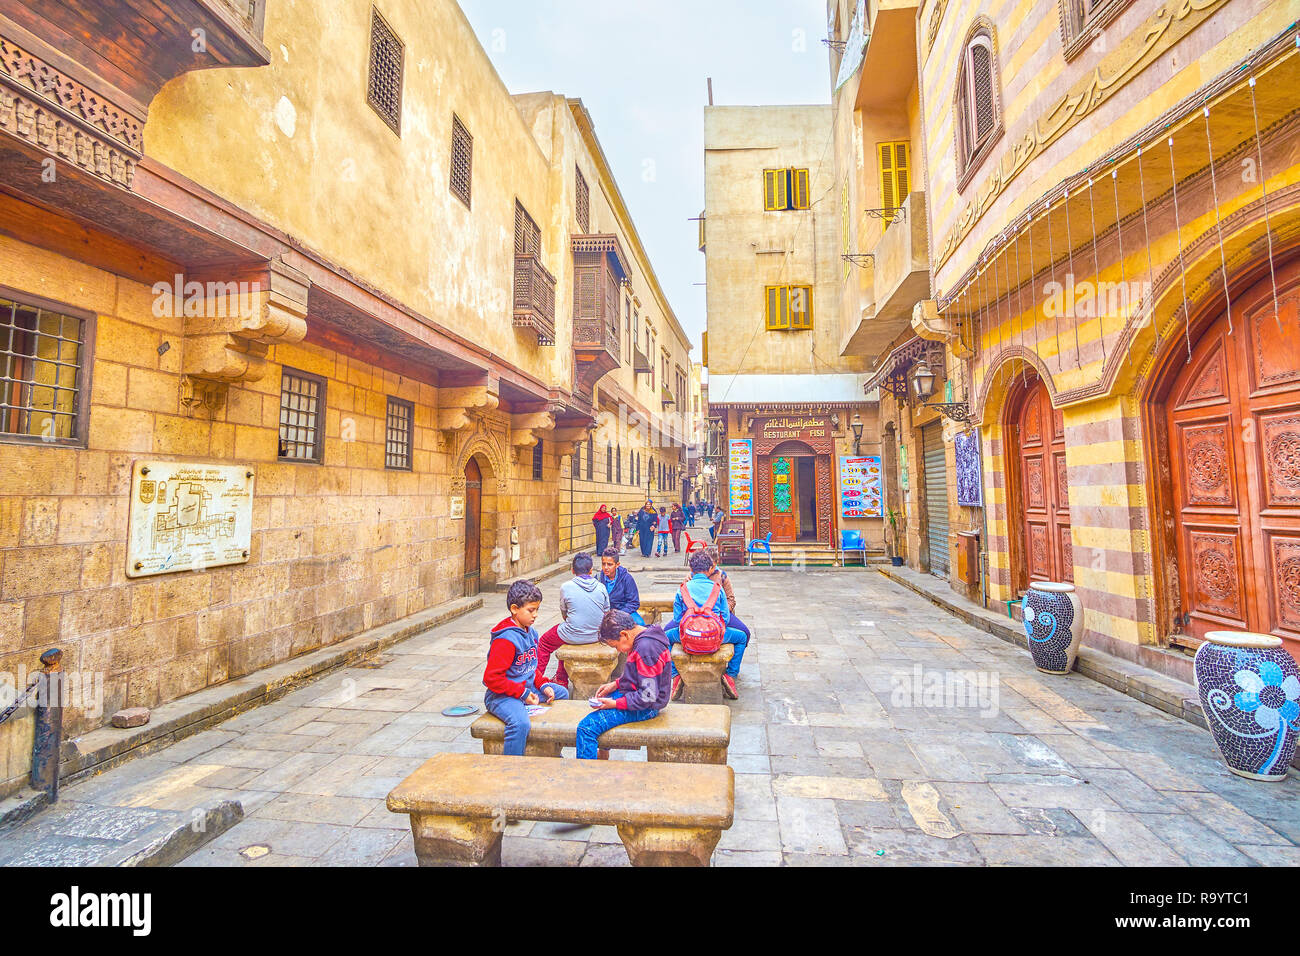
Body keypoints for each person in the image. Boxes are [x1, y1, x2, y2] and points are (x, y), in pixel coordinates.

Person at [483, 580, 570, 756]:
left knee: (562, 693)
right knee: (520, 724)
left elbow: (531, 668)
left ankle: (551, 748)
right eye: (531, 610)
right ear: (514, 609)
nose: (535, 615)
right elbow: (491, 679)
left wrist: (543, 685)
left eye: (537, 610)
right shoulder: (506, 640)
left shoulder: (532, 633)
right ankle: (513, 764)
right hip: (502, 696)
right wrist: (522, 694)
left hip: (526, 689)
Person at [577, 609, 672, 760]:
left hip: (647, 707)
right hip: (640, 698)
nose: (618, 651)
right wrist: (615, 684)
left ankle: (588, 776)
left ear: (624, 635)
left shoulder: (646, 649)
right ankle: (602, 755)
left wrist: (615, 704)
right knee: (603, 703)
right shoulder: (644, 634)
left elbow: (648, 696)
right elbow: (638, 675)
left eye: (616, 646)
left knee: (586, 728)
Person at [664, 550, 749, 701]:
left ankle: (675, 675)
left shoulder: (682, 589)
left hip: (687, 637)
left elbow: (677, 619)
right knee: (742, 637)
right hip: (714, 638)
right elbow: (726, 618)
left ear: (691, 569)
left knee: (664, 638)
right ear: (710, 569)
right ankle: (730, 675)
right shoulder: (717, 589)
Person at [535, 553, 610, 690]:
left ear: (573, 570)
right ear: (591, 570)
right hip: (596, 635)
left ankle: (537, 679)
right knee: (567, 632)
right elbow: (606, 612)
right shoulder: (601, 587)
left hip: (573, 633)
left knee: (545, 642)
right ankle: (561, 677)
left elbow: (564, 613)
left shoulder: (566, 587)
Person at [600, 547, 643, 624]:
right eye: (603, 564)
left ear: (617, 565)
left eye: (609, 564)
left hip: (623, 612)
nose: (606, 567)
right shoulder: (598, 579)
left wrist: (619, 615)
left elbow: (634, 602)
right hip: (604, 613)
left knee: (640, 624)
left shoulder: (627, 578)